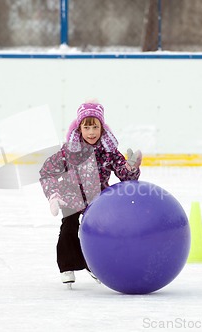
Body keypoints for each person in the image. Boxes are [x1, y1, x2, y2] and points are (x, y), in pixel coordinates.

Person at [39, 102, 142, 286]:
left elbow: (125, 176)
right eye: (87, 127)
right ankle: (67, 266)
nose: (91, 132)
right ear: (79, 128)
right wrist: (53, 195)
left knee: (99, 232)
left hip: (98, 200)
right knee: (69, 226)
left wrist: (131, 168)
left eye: (95, 126)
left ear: (102, 127)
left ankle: (94, 265)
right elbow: (47, 171)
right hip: (70, 197)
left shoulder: (109, 152)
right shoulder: (69, 151)